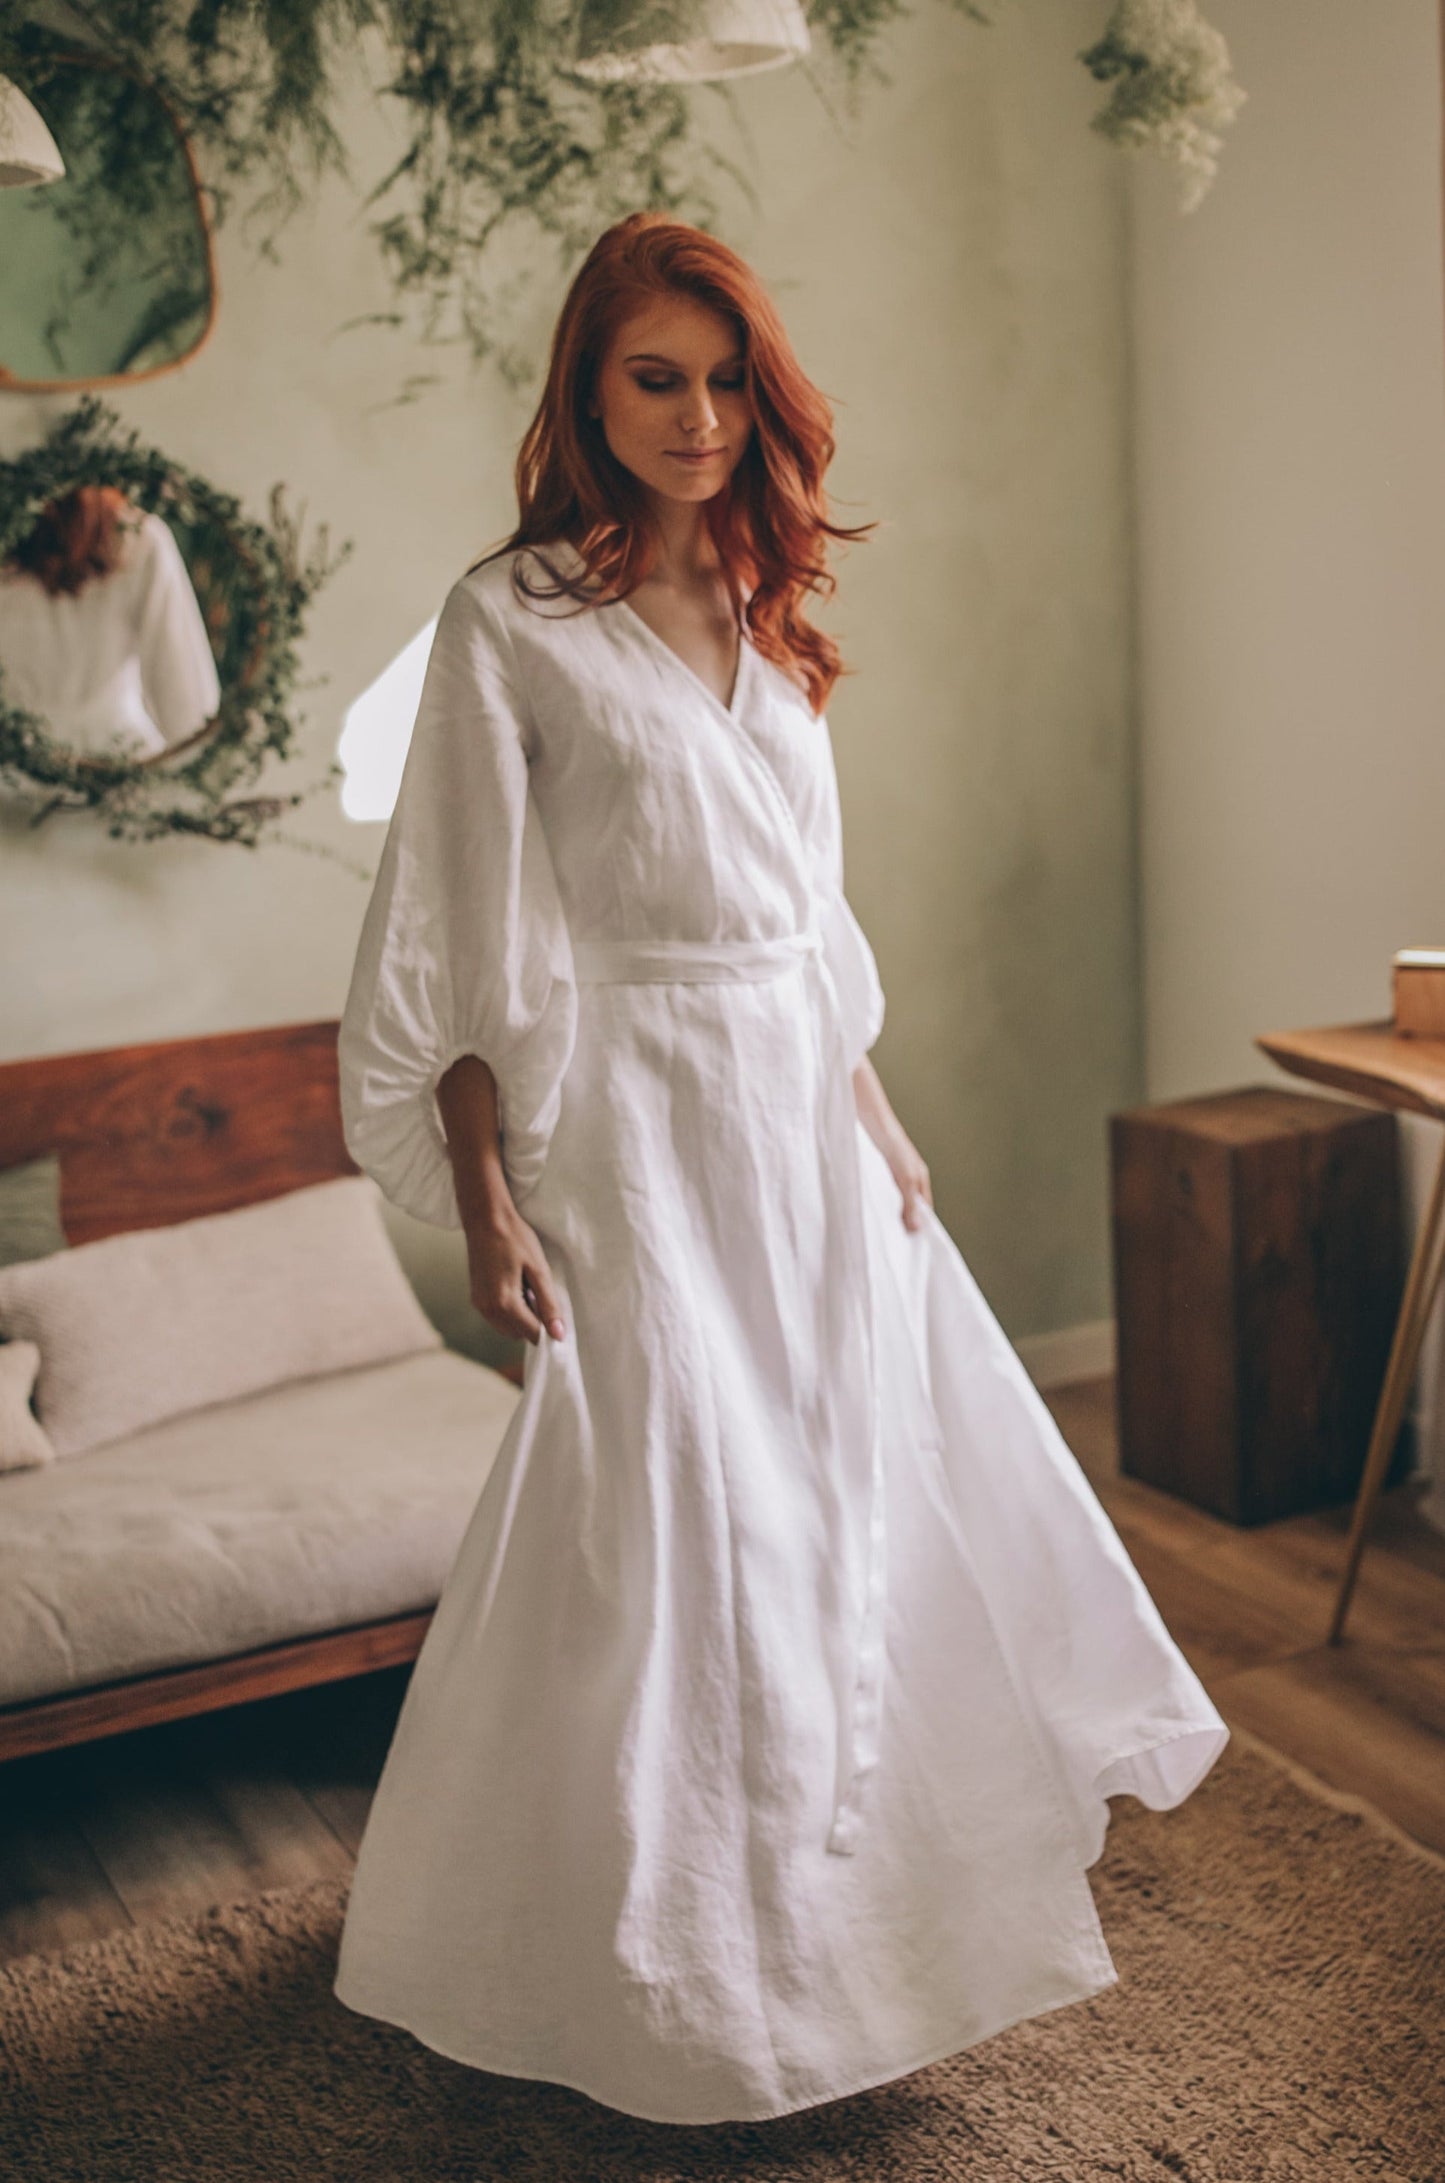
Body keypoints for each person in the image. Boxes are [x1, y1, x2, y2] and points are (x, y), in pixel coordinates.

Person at [332, 211, 1228, 2127]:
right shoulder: (513, 624)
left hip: (800, 1123)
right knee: (675, 1518)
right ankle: (660, 1983)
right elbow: (462, 943)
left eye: (728, 377)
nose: (700, 413)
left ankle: (842, 1944)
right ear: (586, 388)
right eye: (657, 375)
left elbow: (808, 911)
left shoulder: (765, 606)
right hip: (634, 1124)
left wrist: (873, 1109)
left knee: (835, 1508)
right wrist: (489, 1200)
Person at [0, 485, 219, 762]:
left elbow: (190, 712)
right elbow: (188, 707)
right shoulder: (140, 535)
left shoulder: (139, 538)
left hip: (21, 772)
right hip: (117, 770)